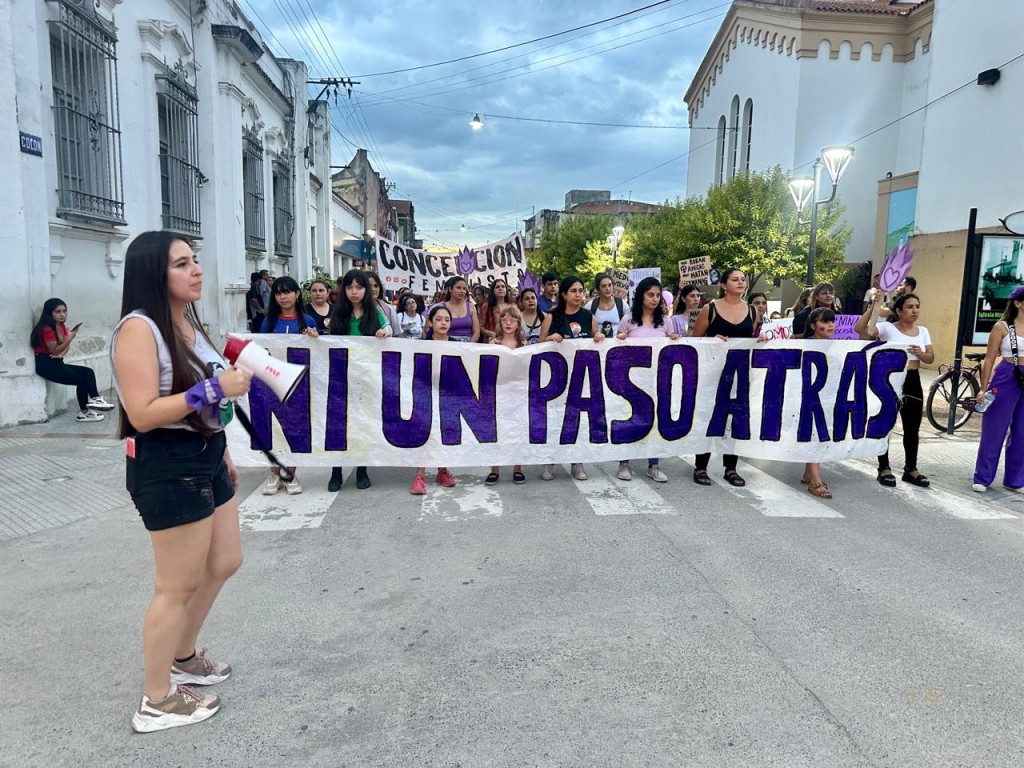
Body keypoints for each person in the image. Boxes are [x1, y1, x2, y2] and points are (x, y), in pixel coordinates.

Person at [111, 231, 253, 733]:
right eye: (182, 264)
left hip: (208, 455)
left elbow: (210, 402)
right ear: (155, 274)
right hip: (168, 462)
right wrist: (215, 386)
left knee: (225, 560)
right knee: (176, 584)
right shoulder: (138, 330)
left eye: (195, 260)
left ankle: (184, 655)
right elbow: (143, 413)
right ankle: (156, 699)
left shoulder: (188, 323)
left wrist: (225, 448)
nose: (196, 270)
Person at [856, 289, 933, 488]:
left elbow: (930, 358)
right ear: (898, 311)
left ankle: (911, 469)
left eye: (917, 307)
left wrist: (921, 353)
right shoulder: (888, 328)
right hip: (890, 379)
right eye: (909, 307)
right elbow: (862, 330)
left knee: (912, 426)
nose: (914, 311)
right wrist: (875, 306)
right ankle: (884, 467)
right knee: (887, 423)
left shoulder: (923, 331)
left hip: (913, 379)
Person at [690, 268, 758, 487]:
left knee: (736, 419)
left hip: (739, 374)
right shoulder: (709, 309)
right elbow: (695, 341)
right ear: (723, 285)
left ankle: (731, 468)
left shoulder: (752, 311)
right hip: (712, 374)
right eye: (735, 279)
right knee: (710, 418)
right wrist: (712, 340)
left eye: (743, 279)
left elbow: (752, 339)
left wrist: (763, 340)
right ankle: (701, 466)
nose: (740, 282)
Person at [327, 270, 392, 492]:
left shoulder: (374, 313)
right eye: (349, 287)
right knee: (338, 425)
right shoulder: (338, 313)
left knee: (362, 425)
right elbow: (329, 341)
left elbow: (388, 329)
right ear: (344, 290)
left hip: (366, 378)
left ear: (366, 290)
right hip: (341, 378)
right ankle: (336, 472)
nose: (354, 292)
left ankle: (362, 470)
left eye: (359, 287)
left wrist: (385, 333)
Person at [539, 275, 606, 482]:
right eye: (574, 291)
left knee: (578, 422)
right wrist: (549, 339)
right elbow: (539, 345)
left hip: (582, 379)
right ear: (564, 294)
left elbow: (598, 341)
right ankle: (550, 461)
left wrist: (599, 337)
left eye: (581, 290)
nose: (578, 295)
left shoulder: (588, 316)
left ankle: (577, 462)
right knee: (556, 420)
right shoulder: (552, 317)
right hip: (556, 380)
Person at [615, 276, 680, 483]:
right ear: (641, 295)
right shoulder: (628, 320)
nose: (654, 299)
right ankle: (624, 462)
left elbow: (672, 344)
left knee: (655, 420)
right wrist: (620, 338)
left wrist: (675, 339)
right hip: (631, 380)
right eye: (650, 294)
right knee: (629, 418)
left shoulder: (666, 322)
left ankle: (654, 464)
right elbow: (615, 347)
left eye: (658, 295)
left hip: (657, 379)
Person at [260, 276, 317, 495]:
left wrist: (314, 339)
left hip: (298, 385)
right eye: (278, 293)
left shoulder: (307, 321)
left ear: (296, 294)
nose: (283, 297)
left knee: (294, 429)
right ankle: (274, 473)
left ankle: (290, 473)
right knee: (273, 430)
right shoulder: (269, 322)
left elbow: (318, 352)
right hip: (272, 384)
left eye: (287, 292)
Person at [972, 285, 1024, 493]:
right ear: (1019, 303)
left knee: (1022, 432)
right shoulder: (1003, 327)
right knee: (995, 429)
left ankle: (1015, 479)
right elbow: (990, 359)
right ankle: (982, 477)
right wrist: (983, 389)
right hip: (1007, 375)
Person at [30, 298, 115, 422]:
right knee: (82, 381)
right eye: (57, 312)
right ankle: (85, 413)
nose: (62, 314)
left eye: (64, 311)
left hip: (56, 362)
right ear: (50, 313)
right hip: (46, 365)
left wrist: (61, 353)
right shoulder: (47, 329)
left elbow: (64, 348)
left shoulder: (61, 326)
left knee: (88, 372)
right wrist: (70, 338)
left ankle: (95, 399)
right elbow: (55, 350)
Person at [411, 305, 459, 495]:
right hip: (425, 394)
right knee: (424, 433)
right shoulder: (421, 345)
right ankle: (420, 475)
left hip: (448, 396)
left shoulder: (457, 345)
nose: (443, 323)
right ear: (430, 322)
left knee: (444, 433)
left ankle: (442, 470)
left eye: (447, 320)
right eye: (438, 319)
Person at [486, 305, 527, 486]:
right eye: (505, 319)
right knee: (497, 431)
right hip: (498, 392)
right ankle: (494, 469)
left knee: (518, 430)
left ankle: (517, 468)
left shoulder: (525, 346)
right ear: (500, 322)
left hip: (517, 393)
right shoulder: (493, 343)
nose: (508, 322)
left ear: (519, 324)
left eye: (513, 319)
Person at [800, 307, 838, 499]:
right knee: (814, 434)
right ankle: (815, 478)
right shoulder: (804, 344)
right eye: (824, 322)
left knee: (818, 434)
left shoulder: (837, 346)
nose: (830, 325)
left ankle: (809, 472)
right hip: (808, 397)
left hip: (827, 397)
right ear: (814, 325)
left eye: (832, 321)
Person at [431, 276, 480, 342]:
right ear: (450, 289)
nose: (462, 291)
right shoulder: (441, 307)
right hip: (447, 345)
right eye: (458, 288)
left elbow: (476, 332)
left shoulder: (471, 307)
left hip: (468, 346)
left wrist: (469, 347)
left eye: (464, 289)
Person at [588, 273, 627, 338]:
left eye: (610, 285)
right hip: (597, 345)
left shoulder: (622, 304)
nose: (608, 289)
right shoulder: (590, 305)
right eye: (603, 286)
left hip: (617, 345)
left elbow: (629, 324)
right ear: (598, 289)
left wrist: (624, 334)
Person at [366, 272, 402, 336]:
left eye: (376, 286)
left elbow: (396, 334)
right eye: (369, 286)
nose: (373, 289)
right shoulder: (353, 308)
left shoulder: (388, 308)